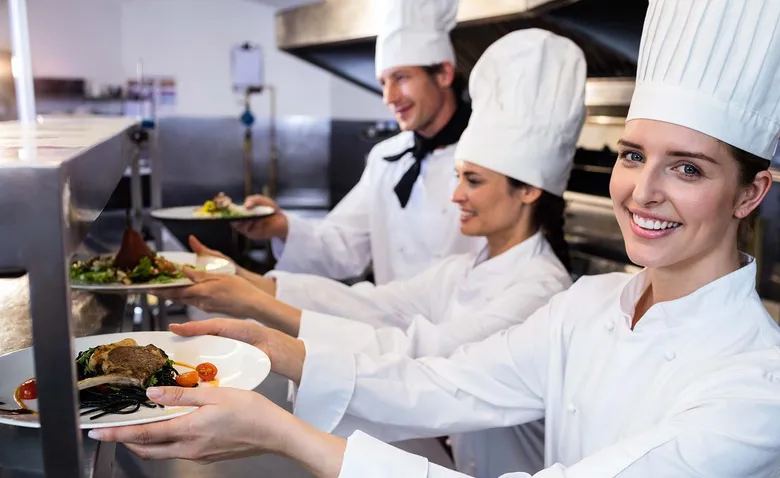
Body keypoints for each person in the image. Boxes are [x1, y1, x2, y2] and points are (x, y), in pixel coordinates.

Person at [91, 0, 780, 476]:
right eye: (631, 155)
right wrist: (269, 340)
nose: (643, 191)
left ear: (751, 191)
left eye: (687, 168)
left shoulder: (756, 390)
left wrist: (292, 437)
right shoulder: (591, 305)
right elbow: (443, 379)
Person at [156, 28, 587, 477]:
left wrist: (266, 323)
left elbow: (424, 359)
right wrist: (247, 284)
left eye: (472, 181)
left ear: (528, 190)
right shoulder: (465, 268)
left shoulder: (540, 292)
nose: (455, 195)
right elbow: (375, 306)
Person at [232, 0, 483, 286]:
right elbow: (343, 246)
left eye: (401, 78)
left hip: (473, 326)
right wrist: (281, 227)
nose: (389, 98)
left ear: (444, 74)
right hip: (393, 327)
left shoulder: (487, 156)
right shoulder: (386, 158)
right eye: (383, 83)